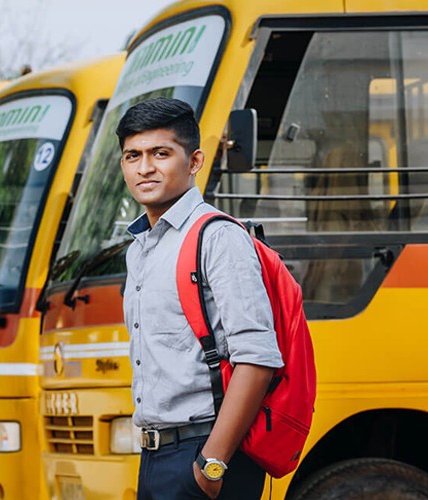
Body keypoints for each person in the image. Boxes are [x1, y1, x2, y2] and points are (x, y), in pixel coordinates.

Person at [117, 97, 283, 499]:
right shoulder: (139, 249)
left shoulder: (218, 237)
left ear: (194, 162)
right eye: (132, 156)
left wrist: (211, 465)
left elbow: (257, 357)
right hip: (156, 455)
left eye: (160, 153)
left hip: (206, 454)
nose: (145, 168)